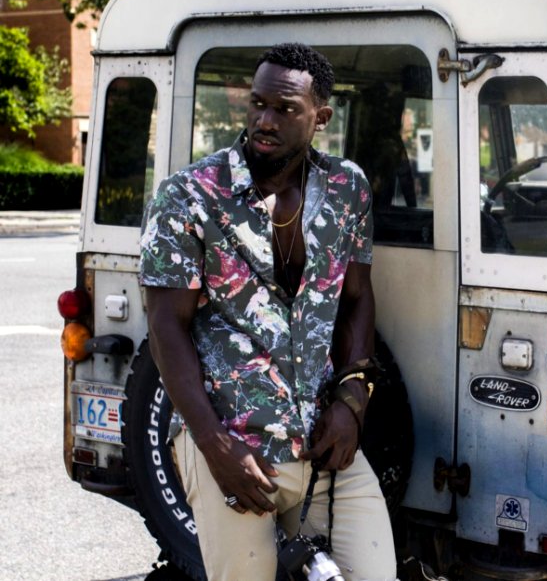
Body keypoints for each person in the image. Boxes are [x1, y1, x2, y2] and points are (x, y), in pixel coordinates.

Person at [140, 42, 396, 581]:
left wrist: (353, 402)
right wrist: (212, 445)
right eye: (257, 104)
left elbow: (357, 298)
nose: (264, 120)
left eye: (284, 110)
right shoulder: (190, 195)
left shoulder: (347, 190)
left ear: (320, 117)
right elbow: (166, 326)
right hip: (233, 444)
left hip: (324, 445)